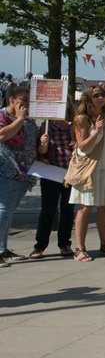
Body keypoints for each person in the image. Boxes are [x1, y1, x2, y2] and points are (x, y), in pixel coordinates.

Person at [69, 86, 105, 261]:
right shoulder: (82, 119)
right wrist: (96, 131)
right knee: (85, 207)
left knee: (104, 206)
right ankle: (80, 248)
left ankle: (104, 244)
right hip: (89, 167)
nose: (101, 98)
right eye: (96, 95)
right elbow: (82, 145)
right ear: (88, 98)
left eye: (103, 95)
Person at [0, 84, 40, 264]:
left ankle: (3, 248)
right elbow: (2, 136)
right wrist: (19, 120)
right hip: (7, 170)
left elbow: (34, 141)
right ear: (12, 101)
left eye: (29, 101)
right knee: (4, 210)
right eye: (23, 101)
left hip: (25, 171)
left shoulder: (28, 119)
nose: (26, 105)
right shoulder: (3, 116)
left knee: (10, 211)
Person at [31, 105, 75, 259]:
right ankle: (40, 246)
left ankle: (64, 244)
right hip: (51, 174)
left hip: (70, 174)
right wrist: (43, 144)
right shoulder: (47, 126)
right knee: (48, 210)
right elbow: (41, 152)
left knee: (68, 210)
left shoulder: (74, 126)